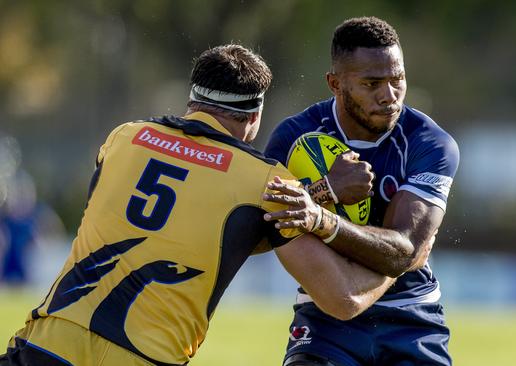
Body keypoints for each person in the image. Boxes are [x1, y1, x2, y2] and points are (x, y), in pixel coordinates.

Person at [0, 44, 395, 366]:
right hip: (147, 356)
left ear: (192, 100)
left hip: (46, 344)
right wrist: (397, 257)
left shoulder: (125, 137)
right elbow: (339, 298)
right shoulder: (266, 180)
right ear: (255, 117)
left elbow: (174, 219)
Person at [263, 17, 460, 366]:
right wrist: (326, 190)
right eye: (372, 83)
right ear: (335, 84)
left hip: (411, 315)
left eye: (397, 79)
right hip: (326, 320)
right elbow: (263, 225)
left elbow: (402, 252)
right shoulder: (294, 138)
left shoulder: (430, 143)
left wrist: (320, 218)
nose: (389, 96)